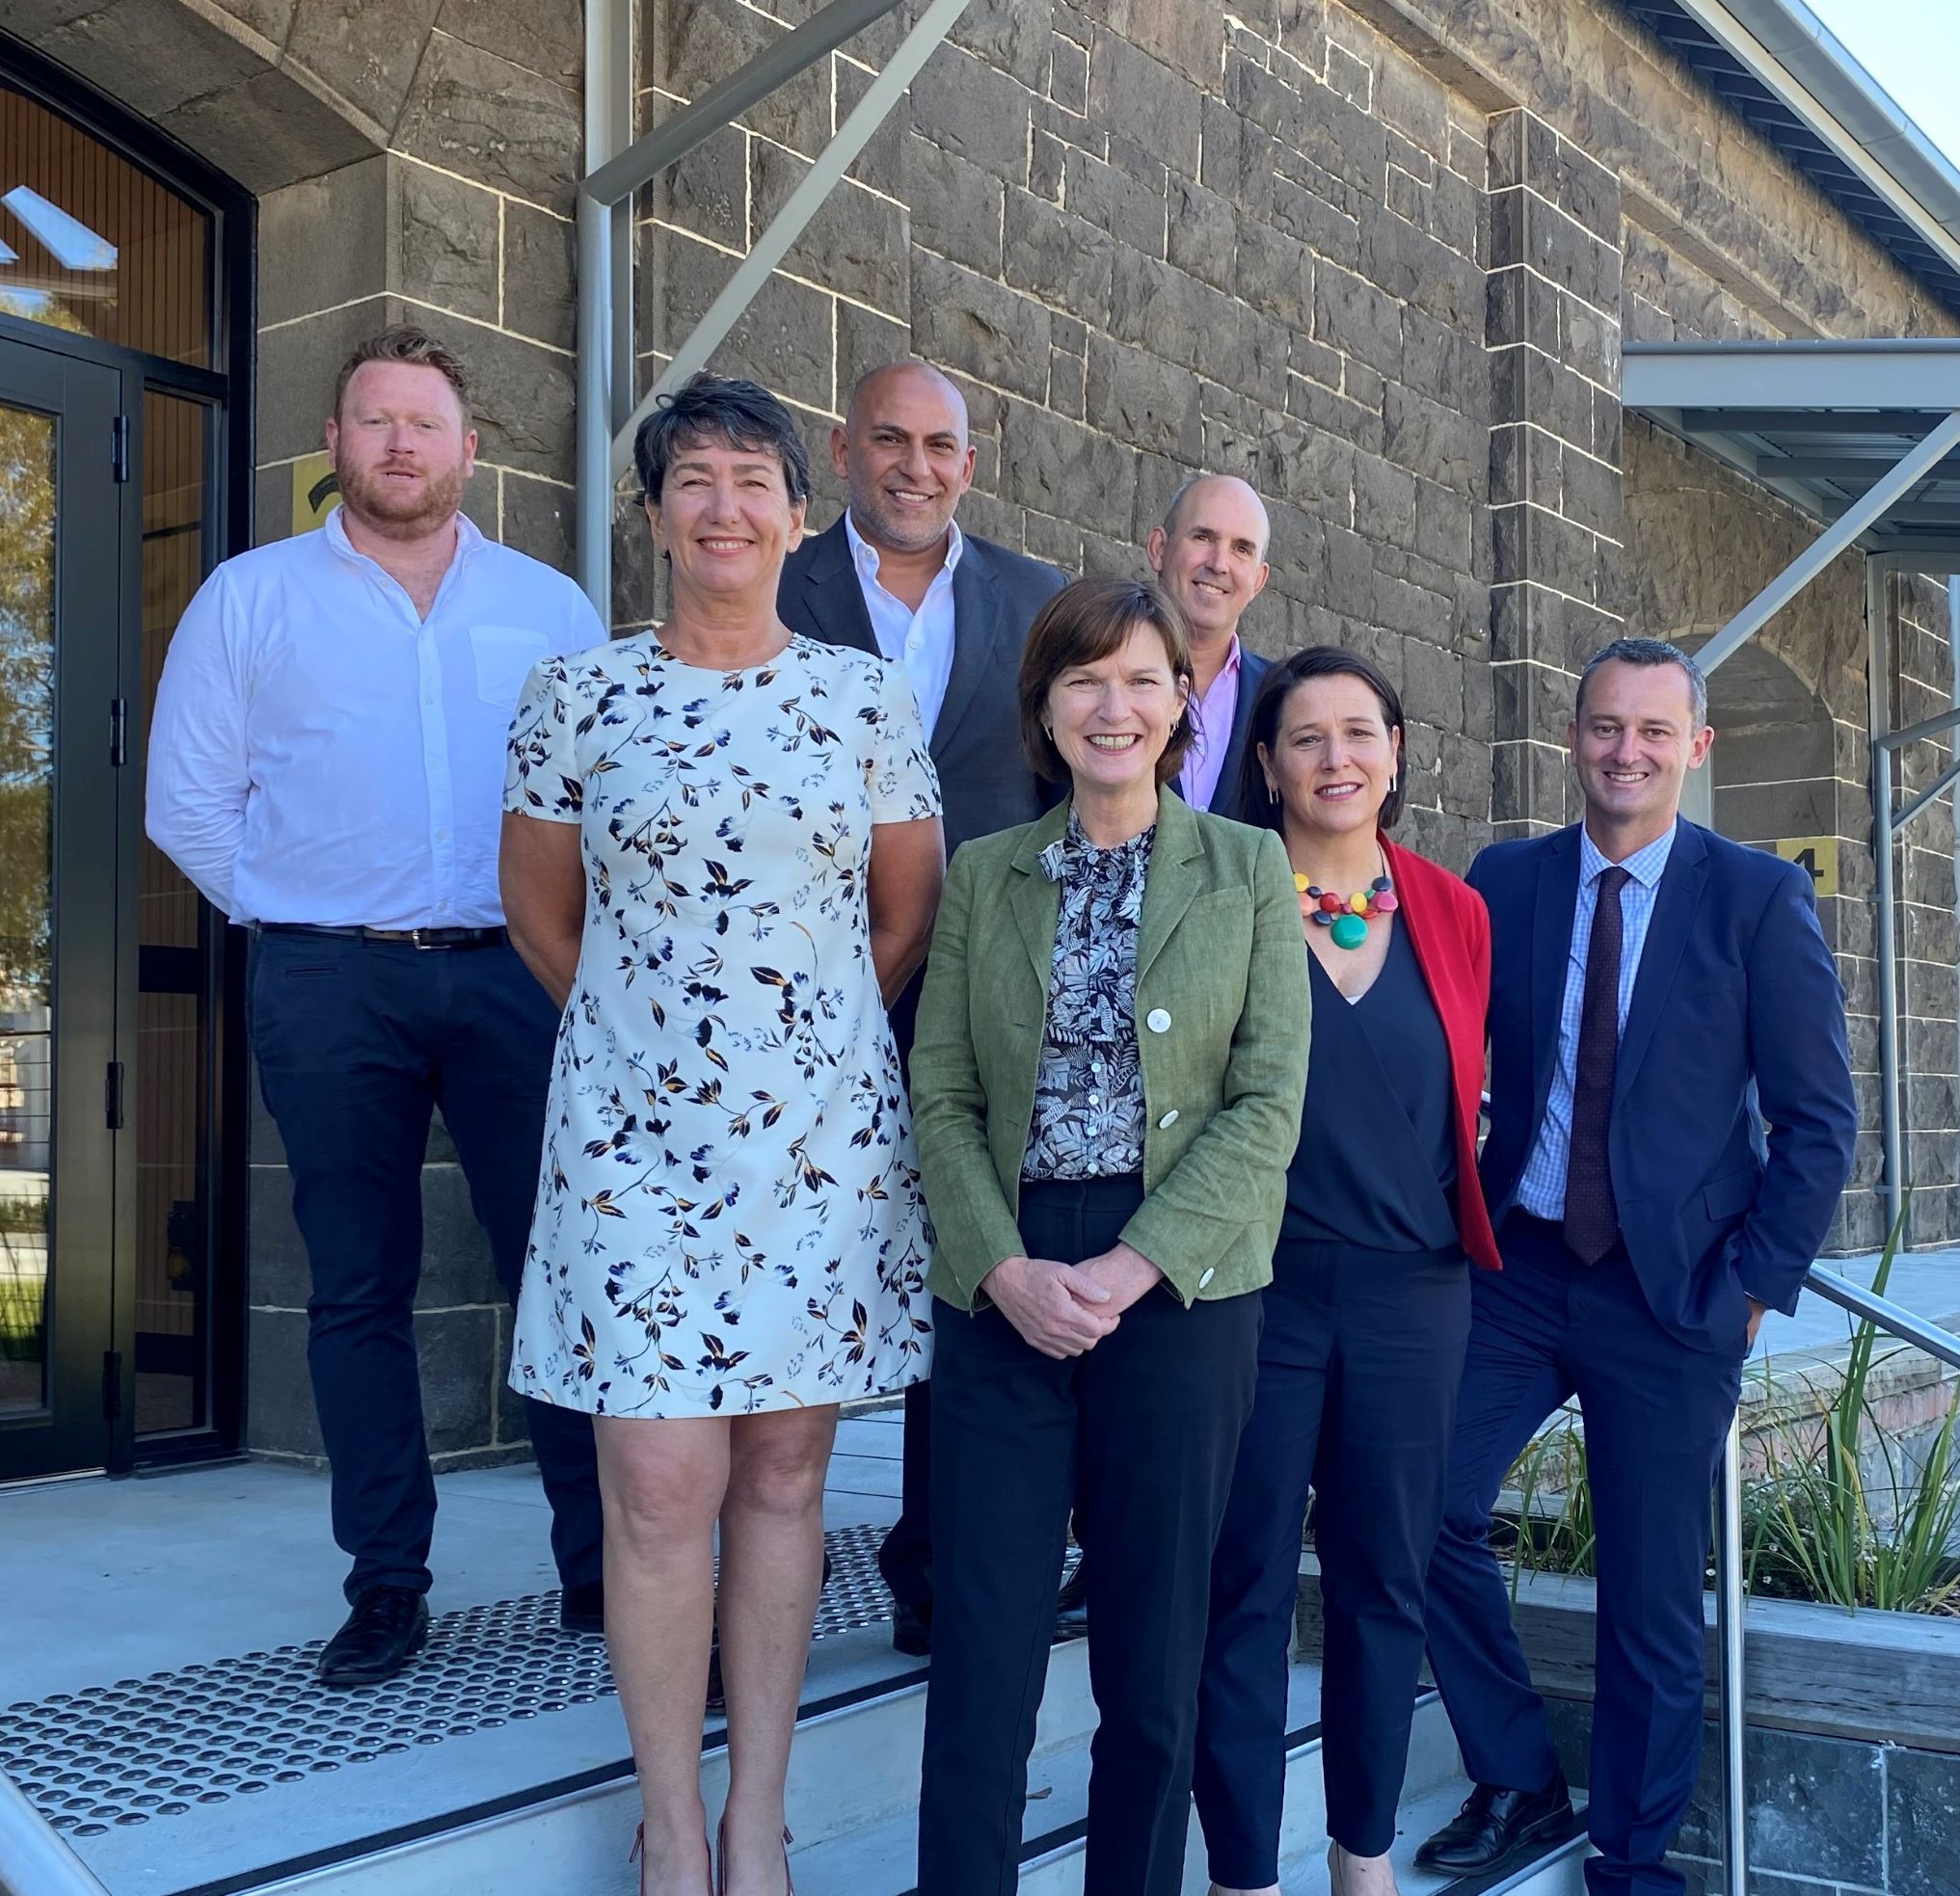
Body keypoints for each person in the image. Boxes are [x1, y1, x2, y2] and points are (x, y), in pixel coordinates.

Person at [499, 372, 944, 1896]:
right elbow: (542, 918)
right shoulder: (576, 695)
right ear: (652, 514)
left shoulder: (861, 698)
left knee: (783, 1477)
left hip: (813, 1148)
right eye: (693, 478)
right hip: (629, 1147)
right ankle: (671, 1826)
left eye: (754, 479)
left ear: (799, 514)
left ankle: (758, 1812)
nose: (724, 505)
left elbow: (900, 918)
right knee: (658, 1481)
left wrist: (788, 1055)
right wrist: (662, 1050)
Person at [146, 324, 607, 1687]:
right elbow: (186, 800)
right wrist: (301, 908)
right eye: (375, 419)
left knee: (563, 1271)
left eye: (425, 421)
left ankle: (601, 1567)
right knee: (356, 1288)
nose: (400, 442)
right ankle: (387, 1584)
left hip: (520, 973)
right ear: (333, 442)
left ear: (470, 447)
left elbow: (602, 800)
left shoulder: (550, 608)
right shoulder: (250, 599)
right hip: (330, 982)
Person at [1417, 639, 1859, 1896]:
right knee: (1416, 1503)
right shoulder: (1505, 879)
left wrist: (1753, 1286)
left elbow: (1818, 1116)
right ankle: (1517, 1775)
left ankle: (1630, 1858)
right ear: (1573, 736)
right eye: (1606, 726)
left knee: (1650, 1589)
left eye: (1653, 731)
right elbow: (1438, 1048)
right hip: (1517, 1265)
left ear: (1694, 748)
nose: (1626, 751)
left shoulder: (1754, 896)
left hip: (1673, 1292)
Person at [910, 574, 1312, 1896]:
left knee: (1152, 1656)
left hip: (1180, 1284)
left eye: (1141, 677)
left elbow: (1266, 1099)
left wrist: (1131, 1265)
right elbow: (941, 1092)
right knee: (984, 1648)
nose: (1112, 705)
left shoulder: (1247, 867)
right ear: (1043, 707)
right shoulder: (984, 873)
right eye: (1082, 679)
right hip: (1006, 1276)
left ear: (1182, 701)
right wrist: (1003, 1268)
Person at [1192, 649, 1498, 1896]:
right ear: (1264, 764)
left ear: (1395, 750)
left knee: (1384, 1584)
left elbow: (1481, 1097)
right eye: (1305, 736)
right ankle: (1242, 1872)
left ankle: (1359, 1852)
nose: (1336, 757)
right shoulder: (1216, 892)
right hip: (1249, 1292)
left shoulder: (1453, 908)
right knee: (1242, 1583)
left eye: (1359, 731)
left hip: (1411, 1295)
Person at [779, 360, 1067, 1656]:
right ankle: (738, 1586)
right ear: (843, 448)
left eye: (939, 444)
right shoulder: (774, 581)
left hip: (978, 993)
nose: (914, 465)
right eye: (888, 438)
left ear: (970, 461)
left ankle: (938, 1567)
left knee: (968, 1272)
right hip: (796, 995)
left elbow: (1068, 790)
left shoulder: (1035, 598)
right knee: (787, 1267)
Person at [1144, 473, 1274, 816]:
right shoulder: (1094, 673)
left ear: (1259, 580)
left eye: (1241, 549)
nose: (1219, 564)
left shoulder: (1282, 697)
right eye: (1203, 537)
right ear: (1159, 549)